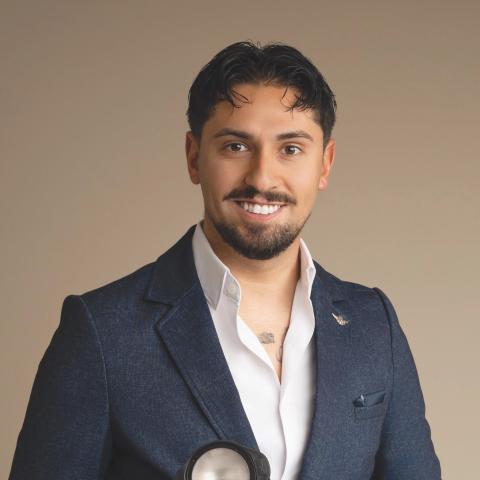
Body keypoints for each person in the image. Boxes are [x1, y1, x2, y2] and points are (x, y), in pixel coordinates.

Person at [9, 41, 441, 480]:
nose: (262, 177)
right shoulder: (103, 332)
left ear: (325, 164)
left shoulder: (373, 326)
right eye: (236, 146)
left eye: (291, 149)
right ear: (194, 157)